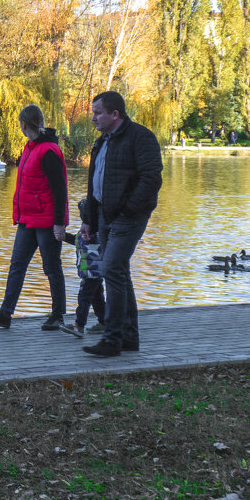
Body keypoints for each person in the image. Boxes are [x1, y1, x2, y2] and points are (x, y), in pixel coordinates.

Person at [79, 90, 163, 357]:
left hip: (128, 216)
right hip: (104, 216)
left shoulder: (141, 137)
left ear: (115, 114)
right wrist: (90, 221)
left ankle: (111, 339)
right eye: (93, 112)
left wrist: (128, 209)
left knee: (112, 269)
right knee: (120, 273)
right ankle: (129, 337)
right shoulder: (101, 141)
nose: (93, 118)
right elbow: (95, 184)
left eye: (98, 113)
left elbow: (151, 178)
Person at [0, 104, 69, 331]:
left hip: (47, 220)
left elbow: (60, 190)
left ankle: (58, 315)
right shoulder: (30, 147)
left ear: (25, 124)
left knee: (51, 268)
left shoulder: (48, 150)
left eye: (21, 123)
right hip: (28, 219)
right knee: (17, 265)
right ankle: (5, 313)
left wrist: (59, 223)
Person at [58, 199, 105, 338]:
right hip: (90, 270)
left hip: (92, 271)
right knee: (97, 298)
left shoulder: (96, 232)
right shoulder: (89, 232)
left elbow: (89, 241)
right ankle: (104, 322)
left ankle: (79, 325)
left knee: (84, 297)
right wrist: (64, 237)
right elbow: (78, 241)